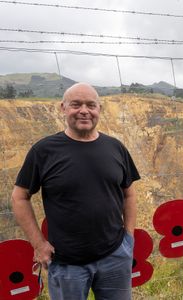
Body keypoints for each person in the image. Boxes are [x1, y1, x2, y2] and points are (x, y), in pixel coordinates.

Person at [11, 82, 140, 300]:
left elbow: (129, 193)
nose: (84, 111)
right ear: (63, 108)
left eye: (91, 105)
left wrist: (128, 238)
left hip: (115, 256)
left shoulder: (115, 148)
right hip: (66, 263)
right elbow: (19, 197)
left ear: (99, 109)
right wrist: (39, 244)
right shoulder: (43, 151)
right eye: (76, 104)